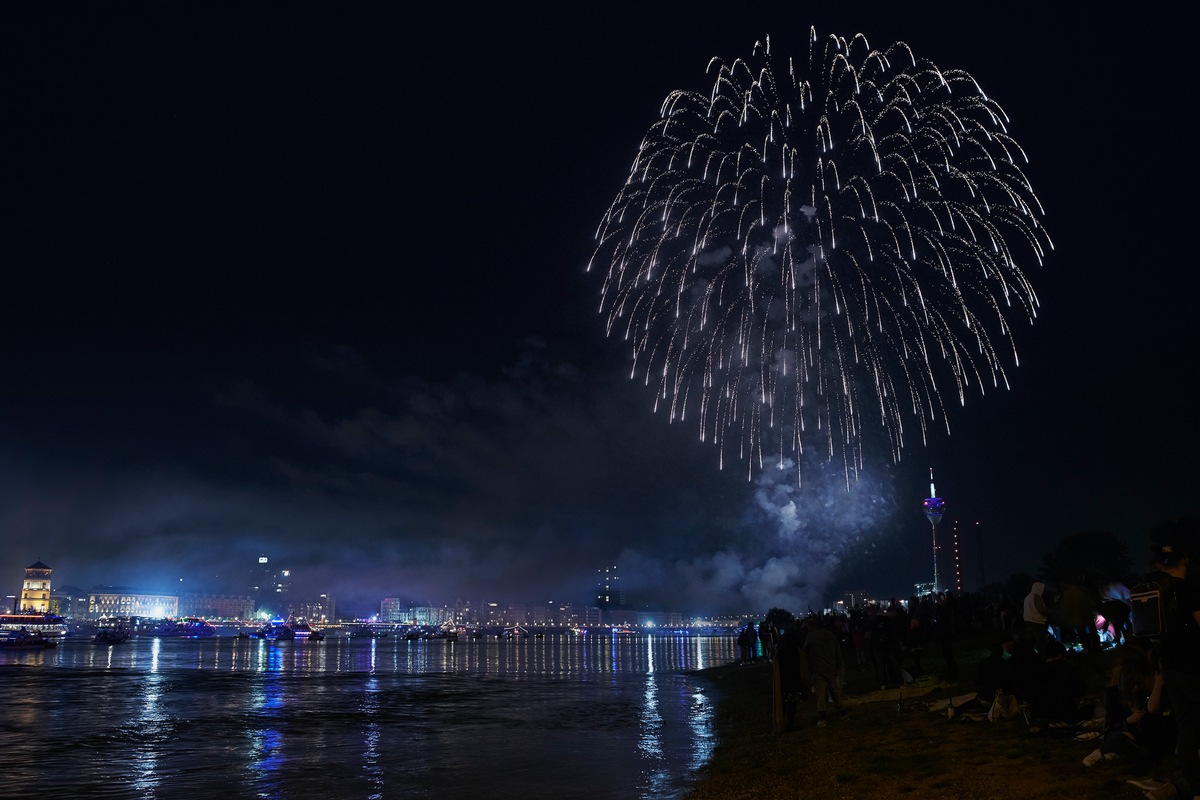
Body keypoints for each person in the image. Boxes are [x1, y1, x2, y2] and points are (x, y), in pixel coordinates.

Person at [1140, 542, 1200, 800]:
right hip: (1194, 665)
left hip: (1170, 668)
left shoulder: (1158, 591)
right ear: (1185, 560)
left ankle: (1196, 787)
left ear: (1160, 564)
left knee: (1186, 726)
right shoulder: (1188, 588)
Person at [803, 616, 847, 726]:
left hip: (818, 669)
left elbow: (805, 651)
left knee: (820, 694)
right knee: (834, 691)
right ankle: (843, 714)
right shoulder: (830, 635)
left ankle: (823, 718)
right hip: (831, 667)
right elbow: (838, 650)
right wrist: (838, 665)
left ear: (812, 625)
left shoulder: (811, 636)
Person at [1022, 580, 1050, 654]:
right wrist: (1050, 612)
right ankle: (1042, 656)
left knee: (1030, 641)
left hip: (1028, 621)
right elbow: (1041, 609)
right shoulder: (1037, 596)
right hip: (1038, 621)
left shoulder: (1027, 597)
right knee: (1041, 642)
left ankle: (1030, 655)